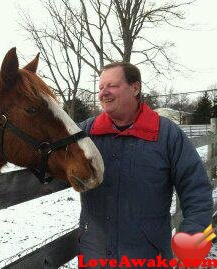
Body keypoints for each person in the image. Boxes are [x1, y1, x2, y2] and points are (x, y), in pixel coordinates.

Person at [78, 62, 213, 268]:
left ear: (135, 88)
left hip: (148, 258)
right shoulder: (86, 133)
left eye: (111, 86)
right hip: (94, 258)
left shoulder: (166, 134)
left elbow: (197, 191)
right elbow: (47, 152)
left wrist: (191, 242)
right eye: (101, 87)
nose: (103, 93)